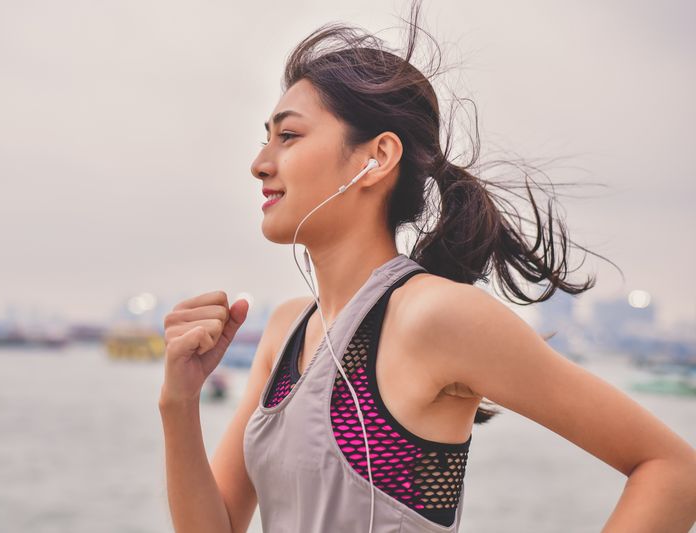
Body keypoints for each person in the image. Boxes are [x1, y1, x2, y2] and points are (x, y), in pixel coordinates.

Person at [158, 1, 696, 532]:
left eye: (289, 135)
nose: (259, 163)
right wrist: (179, 403)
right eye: (265, 137)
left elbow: (673, 471)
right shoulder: (286, 330)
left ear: (377, 159)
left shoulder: (435, 316)